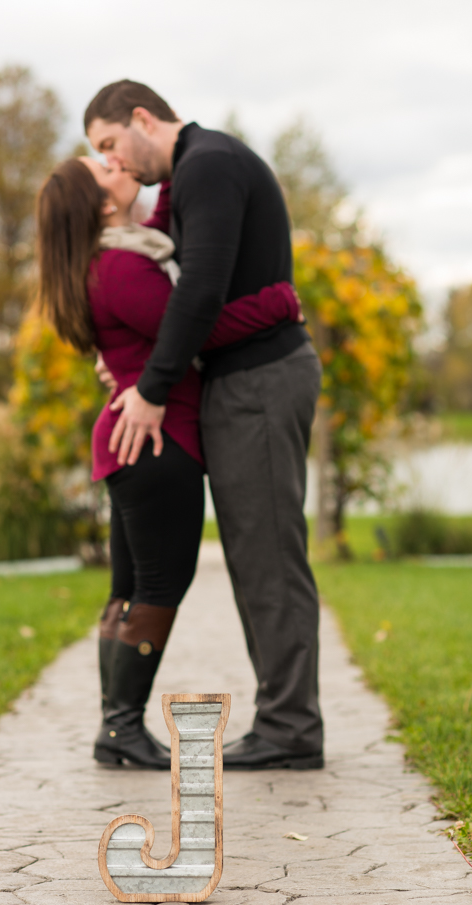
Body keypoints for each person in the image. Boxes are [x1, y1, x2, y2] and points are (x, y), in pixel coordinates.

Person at [84, 80, 324, 771]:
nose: (115, 164)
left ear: (139, 118)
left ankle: (290, 730)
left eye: (109, 146)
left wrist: (152, 386)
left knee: (267, 558)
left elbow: (202, 286)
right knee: (255, 557)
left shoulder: (208, 164)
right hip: (236, 380)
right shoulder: (181, 185)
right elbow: (161, 289)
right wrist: (132, 369)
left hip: (259, 381)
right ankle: (282, 723)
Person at [36, 156, 302, 769]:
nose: (115, 162)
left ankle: (115, 727)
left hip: (129, 444)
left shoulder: (112, 254)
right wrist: (276, 305)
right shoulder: (125, 267)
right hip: (157, 445)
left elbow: (162, 222)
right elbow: (196, 328)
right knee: (159, 587)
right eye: (100, 165)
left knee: (128, 589)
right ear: (103, 204)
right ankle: (122, 726)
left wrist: (180, 160)